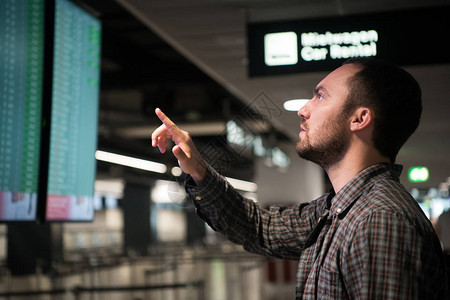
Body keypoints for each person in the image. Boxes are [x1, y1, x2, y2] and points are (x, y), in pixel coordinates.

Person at [151, 58, 448, 299]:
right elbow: (258, 228)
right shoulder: (338, 211)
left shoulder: (379, 219)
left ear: (359, 119)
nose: (304, 110)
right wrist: (198, 168)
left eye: (320, 96)